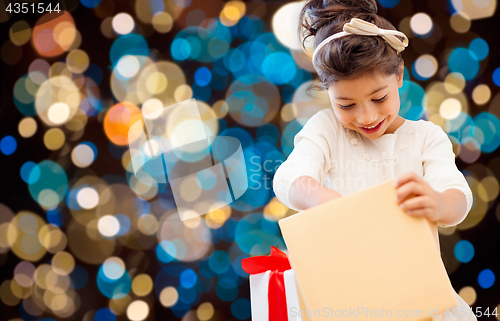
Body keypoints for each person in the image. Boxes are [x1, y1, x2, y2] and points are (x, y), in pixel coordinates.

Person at [272, 1, 477, 321]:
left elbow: (459, 198)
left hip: (420, 299)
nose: (366, 116)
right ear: (328, 94)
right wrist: (332, 205)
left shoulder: (424, 137)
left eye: (378, 98)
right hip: (350, 302)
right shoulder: (327, 130)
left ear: (399, 75)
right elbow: (288, 179)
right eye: (346, 104)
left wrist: (438, 202)